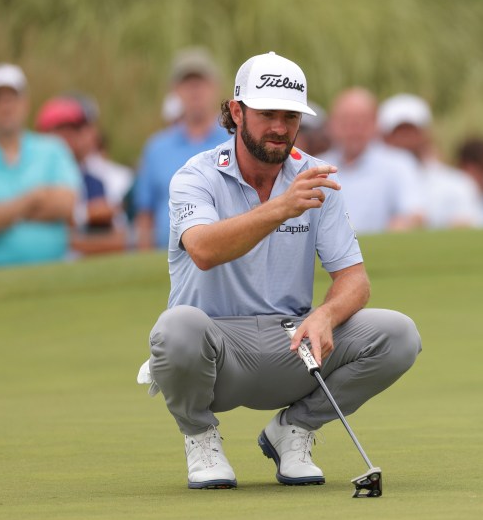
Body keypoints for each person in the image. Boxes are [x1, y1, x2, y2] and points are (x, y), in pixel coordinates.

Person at [142, 52, 421, 489]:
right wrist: (281, 207)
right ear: (236, 112)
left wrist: (325, 316)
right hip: (215, 353)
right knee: (176, 328)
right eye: (266, 113)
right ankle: (200, 436)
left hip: (292, 344)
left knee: (399, 334)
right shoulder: (194, 177)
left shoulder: (314, 176)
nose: (279, 126)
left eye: (289, 115)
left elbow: (354, 280)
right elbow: (203, 250)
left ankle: (294, 430)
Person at [0, 64, 80, 267]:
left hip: (56, 268)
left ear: (25, 103)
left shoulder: (53, 150)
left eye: (12, 98)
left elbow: (65, 204)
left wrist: (3, 213)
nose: (6, 107)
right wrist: (34, 197)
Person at [134, 47, 226, 249]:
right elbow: (145, 214)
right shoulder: (156, 148)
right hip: (165, 259)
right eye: (187, 84)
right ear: (175, 90)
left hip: (225, 255)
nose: (194, 91)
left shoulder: (234, 141)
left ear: (214, 87)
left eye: (200, 83)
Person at [321, 88, 425, 234]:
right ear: (331, 125)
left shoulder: (398, 164)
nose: (353, 130)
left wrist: (402, 224)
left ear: (376, 124)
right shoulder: (316, 166)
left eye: (360, 122)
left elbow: (415, 213)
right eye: (345, 122)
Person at [379, 94, 483, 229]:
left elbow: (478, 224)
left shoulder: (457, 183)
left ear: (426, 134)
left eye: (412, 132)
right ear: (384, 138)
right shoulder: (365, 184)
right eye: (398, 133)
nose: (406, 140)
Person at [35, 97, 128, 254]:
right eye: (62, 131)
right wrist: (87, 214)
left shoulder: (95, 182)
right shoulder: (35, 180)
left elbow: (118, 241)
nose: (72, 138)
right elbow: (48, 240)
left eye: (76, 130)